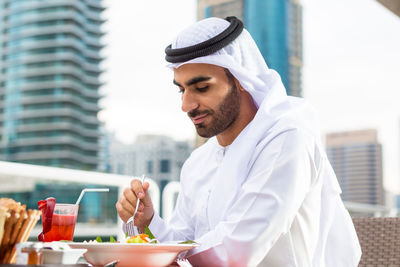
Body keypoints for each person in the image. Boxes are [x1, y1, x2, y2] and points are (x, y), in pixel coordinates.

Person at [116, 16, 361, 266]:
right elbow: (186, 243)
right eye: (182, 90)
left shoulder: (288, 139)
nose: (186, 105)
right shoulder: (198, 161)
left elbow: (236, 251)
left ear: (241, 79)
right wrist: (148, 223)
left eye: (201, 88)